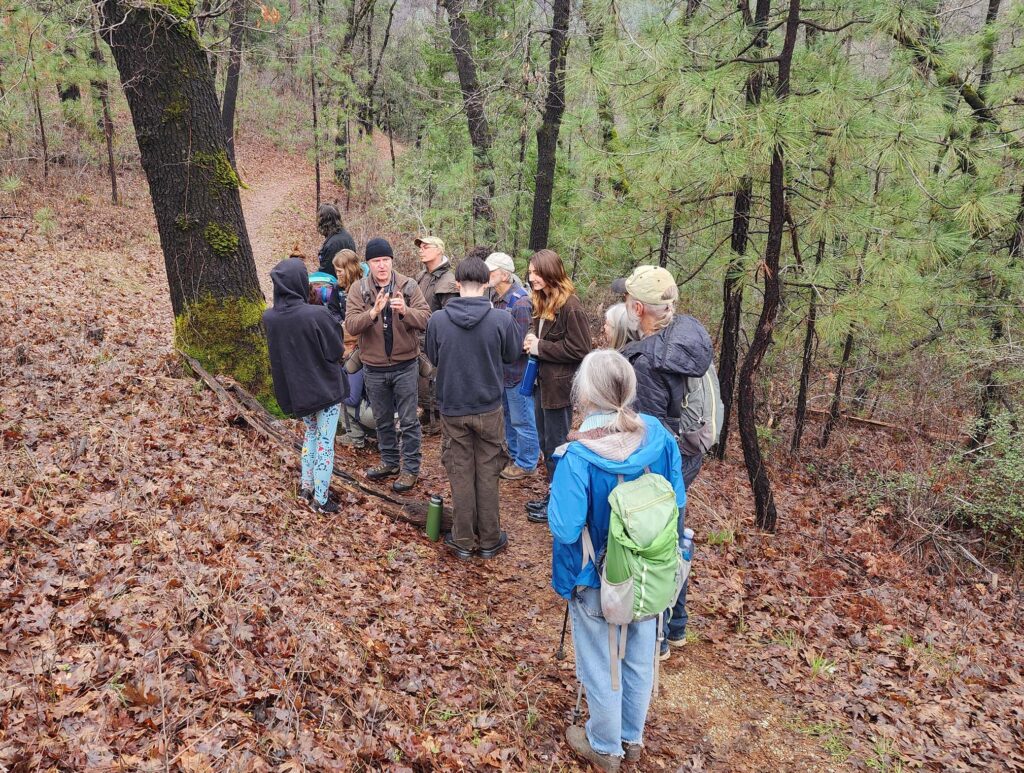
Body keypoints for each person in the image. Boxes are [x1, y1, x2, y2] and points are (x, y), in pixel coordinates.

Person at [549, 350, 687, 771]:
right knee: (640, 655)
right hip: (652, 571)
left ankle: (604, 746)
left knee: (601, 659)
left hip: (596, 577)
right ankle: (633, 739)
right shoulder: (659, 437)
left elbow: (565, 528)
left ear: (583, 395)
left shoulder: (577, 458)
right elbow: (677, 500)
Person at [619, 265, 713, 660]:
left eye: (626, 300)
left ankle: (655, 636)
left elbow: (649, 433)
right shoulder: (689, 337)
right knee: (673, 536)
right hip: (691, 452)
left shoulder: (646, 362)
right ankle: (675, 626)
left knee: (655, 541)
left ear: (638, 308)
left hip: (664, 460)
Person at [425, 257, 521, 560]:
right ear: (486, 285)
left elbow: (432, 356)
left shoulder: (438, 320)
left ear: (457, 285)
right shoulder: (501, 320)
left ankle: (464, 539)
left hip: (453, 407)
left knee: (461, 471)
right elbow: (511, 355)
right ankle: (490, 538)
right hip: (489, 407)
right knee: (488, 470)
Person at [344, 237, 431, 492]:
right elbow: (350, 325)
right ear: (368, 263)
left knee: (408, 420)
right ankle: (390, 461)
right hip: (373, 366)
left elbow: (426, 319)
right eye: (376, 261)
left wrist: (405, 311)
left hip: (405, 364)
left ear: (392, 261)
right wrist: (372, 313)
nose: (381, 266)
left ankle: (410, 469)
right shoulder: (358, 289)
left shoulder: (408, 285)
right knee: (382, 418)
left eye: (385, 260)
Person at [262, 257, 349, 514]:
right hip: (327, 391)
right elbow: (336, 350)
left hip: (298, 393)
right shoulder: (318, 314)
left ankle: (306, 488)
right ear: (300, 282)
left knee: (311, 436)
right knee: (325, 442)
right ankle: (321, 500)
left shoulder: (270, 318)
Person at [521, 249, 593, 523]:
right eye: (530, 273)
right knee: (545, 442)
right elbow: (537, 330)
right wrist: (531, 337)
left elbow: (581, 348)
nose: (532, 278)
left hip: (559, 388)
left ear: (551, 272)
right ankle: (554, 495)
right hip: (542, 383)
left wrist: (541, 347)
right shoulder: (542, 300)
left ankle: (562, 502)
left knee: (557, 446)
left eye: (537, 272)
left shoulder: (570, 305)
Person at [485, 251, 540, 480]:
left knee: (522, 419)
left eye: (492, 270)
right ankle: (516, 456)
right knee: (508, 418)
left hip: (517, 374)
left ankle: (527, 463)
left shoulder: (520, 302)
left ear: (505, 275)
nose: (487, 274)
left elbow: (520, 345)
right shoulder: (496, 300)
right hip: (502, 374)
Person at [415, 235, 458, 312]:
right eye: (420, 248)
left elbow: (451, 316)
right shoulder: (421, 276)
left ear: (438, 250)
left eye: (426, 247)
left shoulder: (449, 282)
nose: (420, 251)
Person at [316, 203, 357, 278]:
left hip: (338, 285)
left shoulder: (333, 244)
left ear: (323, 222)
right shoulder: (344, 235)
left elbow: (326, 274)